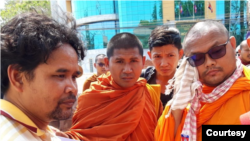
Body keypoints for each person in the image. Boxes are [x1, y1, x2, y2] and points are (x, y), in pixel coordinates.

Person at [155, 20, 250, 141]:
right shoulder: (183, 102)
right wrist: (177, 111)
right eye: (197, 58)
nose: (209, 62)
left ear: (232, 44)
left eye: (217, 51)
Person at [58, 32, 162, 141]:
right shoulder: (91, 97)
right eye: (119, 61)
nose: (127, 70)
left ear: (143, 62)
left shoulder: (150, 94)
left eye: (134, 61)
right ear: (107, 63)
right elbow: (80, 135)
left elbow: (160, 133)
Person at [0, 12, 85, 140]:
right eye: (60, 76)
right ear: (18, 77)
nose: (72, 88)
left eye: (74, 77)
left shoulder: (36, 130)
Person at [141, 25, 183, 108]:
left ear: (180, 54)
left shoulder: (189, 81)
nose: (164, 63)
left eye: (170, 55)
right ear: (150, 55)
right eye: (157, 56)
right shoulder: (141, 80)